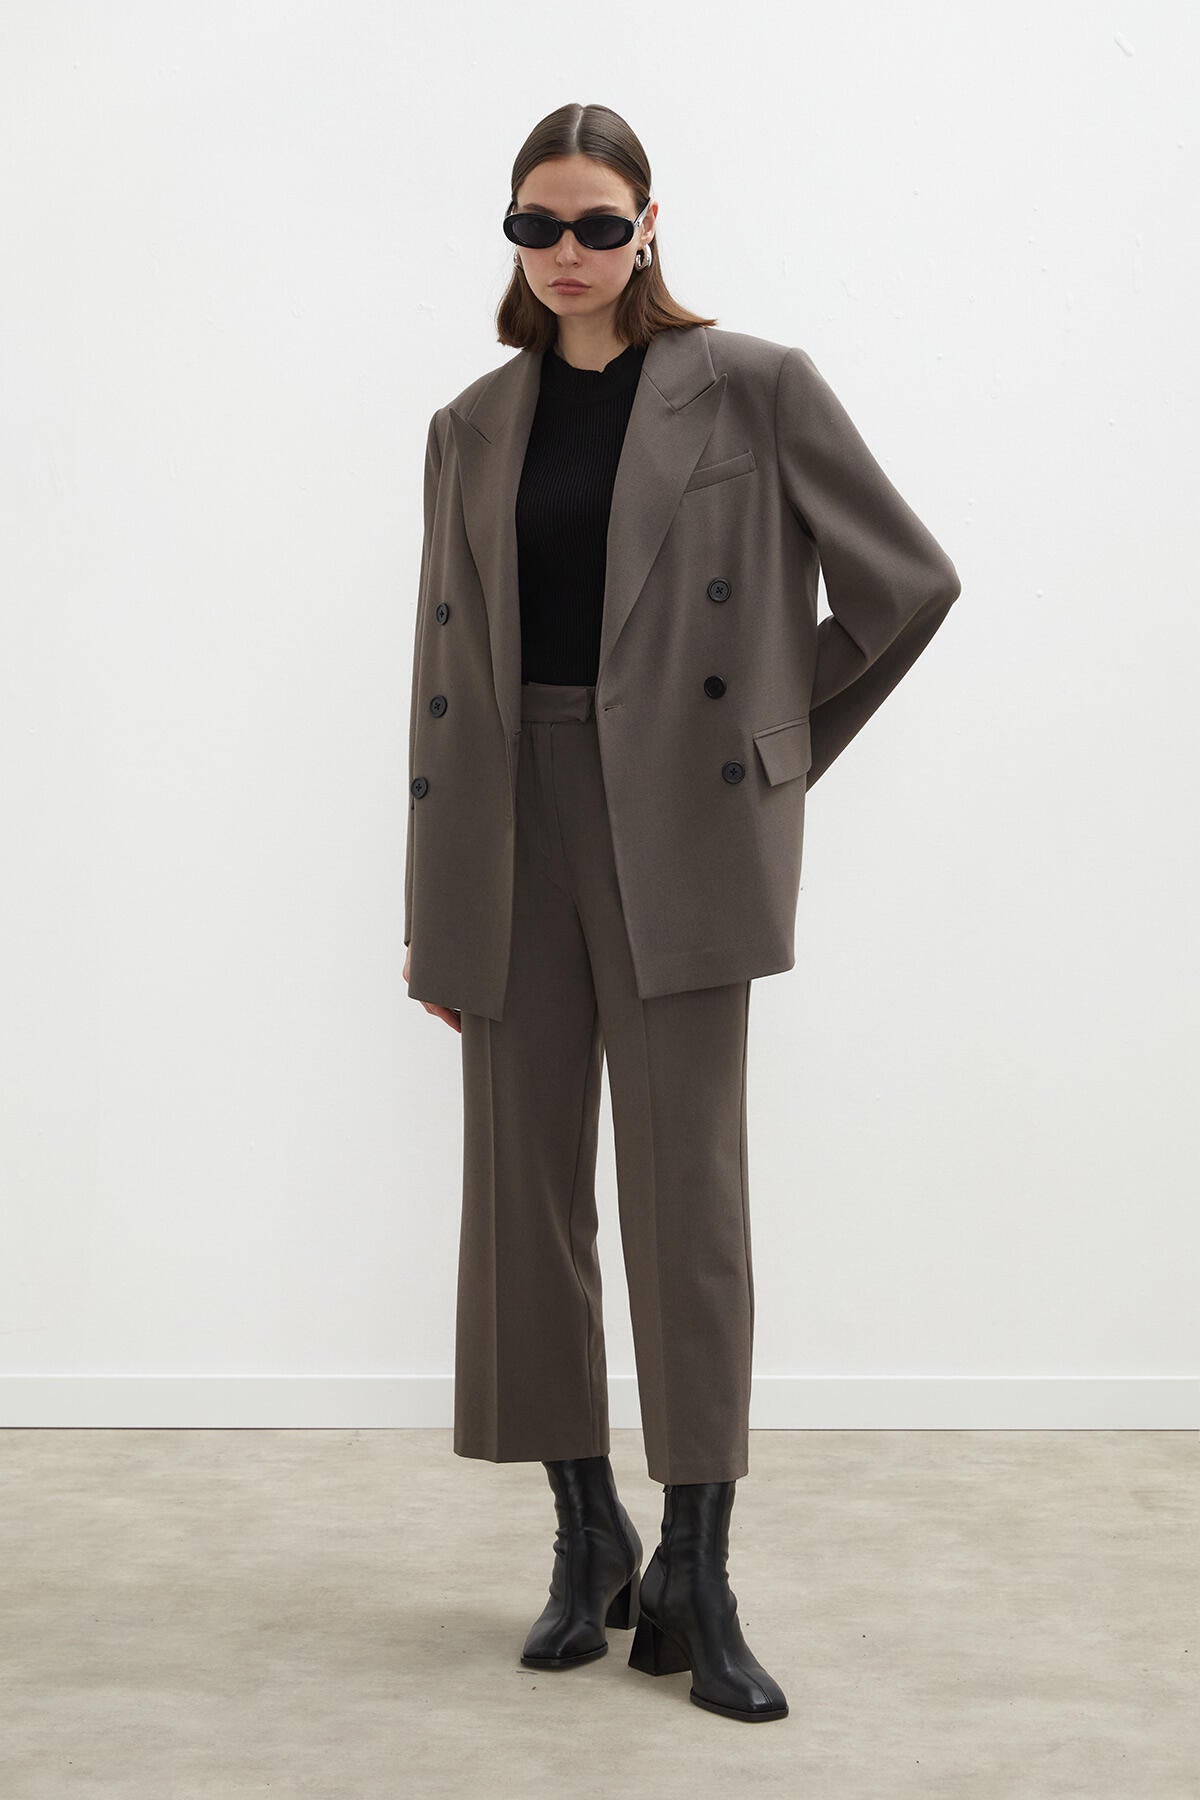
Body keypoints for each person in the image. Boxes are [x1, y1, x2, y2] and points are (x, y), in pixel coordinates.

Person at [402, 102, 961, 1725]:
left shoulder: (754, 386)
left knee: (684, 1199)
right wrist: (435, 907)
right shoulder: (471, 423)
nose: (566, 253)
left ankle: (698, 1571)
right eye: (536, 225)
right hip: (508, 825)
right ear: (511, 236)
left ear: (650, 224)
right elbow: (443, 673)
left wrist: (776, 754)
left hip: (682, 824)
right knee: (523, 1195)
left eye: (596, 222)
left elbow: (908, 584)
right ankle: (588, 1533)